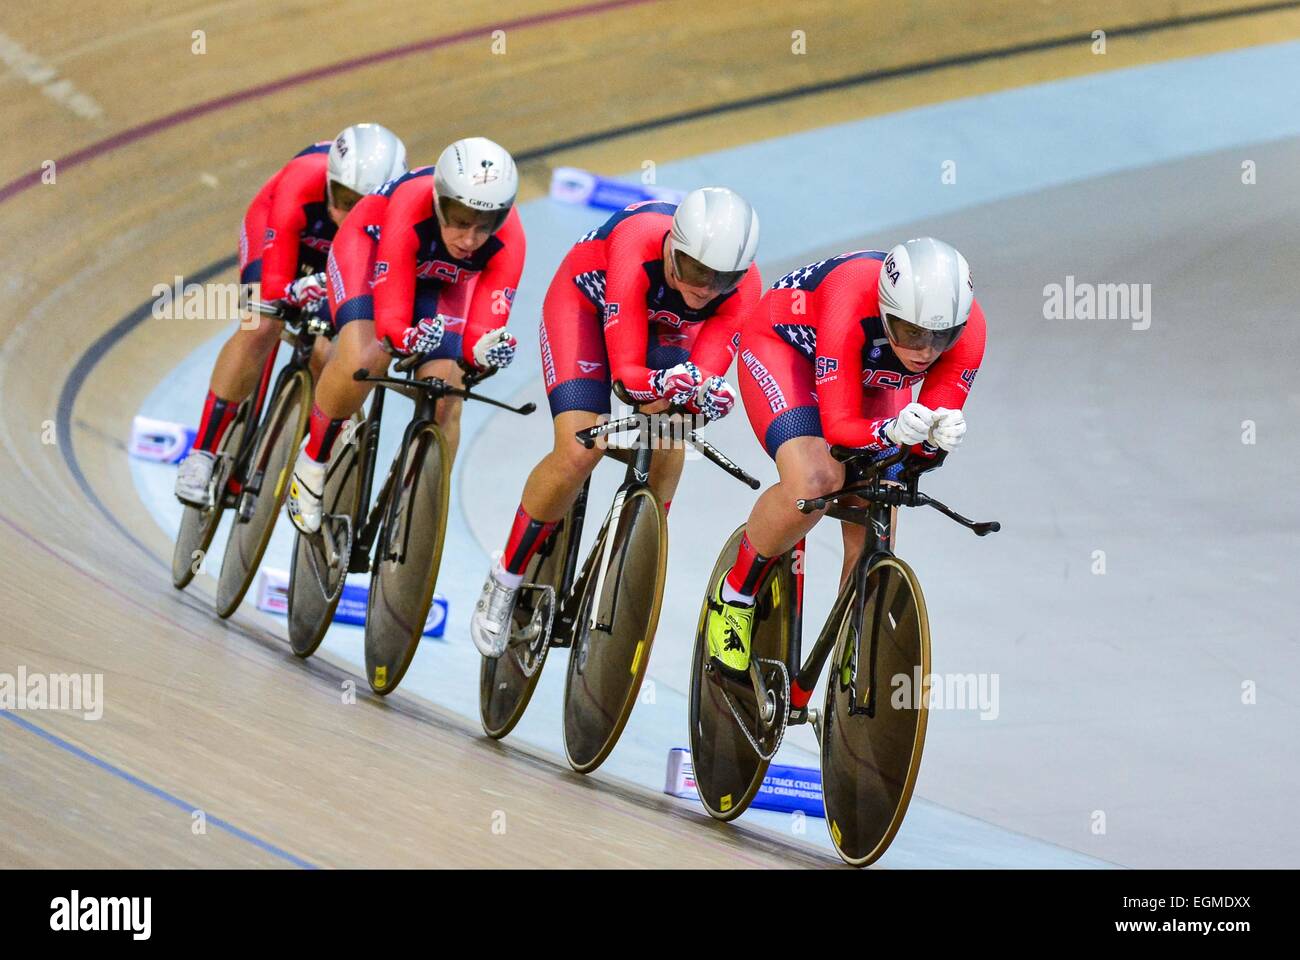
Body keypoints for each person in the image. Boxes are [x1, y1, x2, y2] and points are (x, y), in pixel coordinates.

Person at [469, 187, 762, 657]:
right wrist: (672, 385)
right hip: (584, 310)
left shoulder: (745, 288)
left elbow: (702, 373)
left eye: (721, 280)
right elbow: (628, 377)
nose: (705, 288)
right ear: (673, 246)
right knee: (580, 449)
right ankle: (505, 576)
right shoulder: (636, 242)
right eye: (694, 271)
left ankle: (637, 545)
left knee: (672, 431)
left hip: (662, 330)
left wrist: (704, 392)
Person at [702, 237, 987, 679]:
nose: (926, 351)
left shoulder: (969, 330)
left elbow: (917, 453)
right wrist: (886, 432)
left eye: (941, 337)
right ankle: (734, 594)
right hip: (787, 351)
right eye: (912, 332)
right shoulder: (851, 294)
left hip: (872, 376)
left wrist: (934, 443)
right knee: (816, 479)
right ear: (887, 309)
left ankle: (854, 639)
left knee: (884, 494)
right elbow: (838, 427)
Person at [285, 137, 525, 535]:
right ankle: (313, 461)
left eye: (484, 226)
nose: (469, 240)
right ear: (438, 201)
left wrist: (483, 350)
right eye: (460, 221)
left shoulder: (510, 238)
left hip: (436, 279)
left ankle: (420, 509)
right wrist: (406, 339)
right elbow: (394, 322)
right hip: (371, 254)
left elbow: (482, 328)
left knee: (449, 391)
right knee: (368, 356)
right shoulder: (411, 206)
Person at [173, 124, 407, 506]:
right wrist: (286, 293)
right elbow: (276, 279)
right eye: (344, 198)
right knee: (262, 322)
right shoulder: (302, 180)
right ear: (328, 183)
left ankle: (284, 449)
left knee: (331, 355)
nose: (349, 214)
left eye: (361, 204)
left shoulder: (394, 218)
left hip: (347, 257)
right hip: (279, 233)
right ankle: (202, 453)